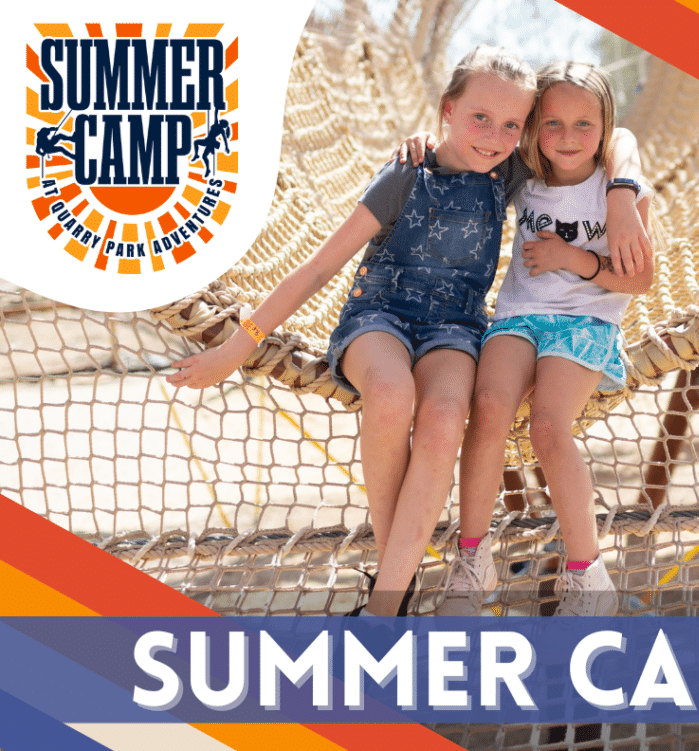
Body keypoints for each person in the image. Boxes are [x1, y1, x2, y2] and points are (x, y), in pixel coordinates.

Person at [168, 47, 648, 617]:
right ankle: (390, 597)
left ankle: (391, 597)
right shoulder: (406, 173)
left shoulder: (511, 170)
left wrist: (622, 195)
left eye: (510, 125)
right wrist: (235, 348)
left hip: (455, 330)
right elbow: (320, 266)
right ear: (447, 109)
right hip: (381, 319)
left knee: (448, 415)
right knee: (394, 396)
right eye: (479, 118)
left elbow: (617, 139)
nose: (494, 136)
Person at [435, 61, 655, 617]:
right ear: (534, 128)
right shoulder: (523, 174)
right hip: (518, 316)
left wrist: (577, 255)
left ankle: (587, 573)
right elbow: (469, 147)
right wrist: (423, 139)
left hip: (585, 321)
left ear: (604, 127)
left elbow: (640, 279)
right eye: (553, 124)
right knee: (486, 409)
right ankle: (472, 556)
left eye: (585, 125)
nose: (568, 137)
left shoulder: (618, 189)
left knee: (549, 426)